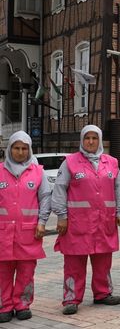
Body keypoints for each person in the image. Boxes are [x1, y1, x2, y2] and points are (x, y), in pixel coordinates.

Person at [52, 125, 120, 315]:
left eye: (94, 138)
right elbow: (59, 189)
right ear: (82, 141)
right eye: (87, 138)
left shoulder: (112, 162)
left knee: (103, 260)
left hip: (104, 221)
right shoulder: (70, 163)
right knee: (74, 263)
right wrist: (61, 216)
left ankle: (103, 293)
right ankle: (71, 299)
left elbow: (119, 188)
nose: (91, 141)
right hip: (77, 223)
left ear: (100, 140)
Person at [0, 131, 51, 323]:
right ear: (10, 149)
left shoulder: (38, 172)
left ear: (29, 150)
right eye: (16, 148)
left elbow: (45, 198)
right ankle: (4, 305)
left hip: (29, 232)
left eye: (24, 148)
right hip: (3, 233)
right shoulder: (0, 171)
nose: (20, 152)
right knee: (3, 272)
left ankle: (22, 304)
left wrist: (42, 222)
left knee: (26, 271)